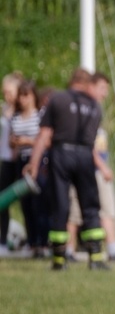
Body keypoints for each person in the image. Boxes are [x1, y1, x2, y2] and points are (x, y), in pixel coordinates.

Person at [23, 68, 109, 271]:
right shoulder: (95, 107)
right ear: (87, 84)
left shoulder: (58, 99)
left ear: (71, 81)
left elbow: (44, 135)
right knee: (90, 205)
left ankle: (59, 261)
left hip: (61, 154)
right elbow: (93, 142)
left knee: (60, 206)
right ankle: (96, 258)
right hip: (85, 156)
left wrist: (33, 163)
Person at [65, 72, 115, 262]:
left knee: (107, 209)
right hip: (86, 169)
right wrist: (102, 166)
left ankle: (112, 249)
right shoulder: (82, 110)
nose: (105, 94)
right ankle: (68, 251)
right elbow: (85, 145)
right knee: (75, 213)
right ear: (90, 86)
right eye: (102, 88)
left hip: (95, 169)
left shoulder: (94, 108)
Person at [9, 80, 49, 257]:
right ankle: (32, 242)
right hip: (21, 160)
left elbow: (45, 141)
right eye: (21, 95)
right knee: (25, 203)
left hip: (38, 161)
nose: (23, 99)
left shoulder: (41, 115)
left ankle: (43, 242)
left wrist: (28, 141)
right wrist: (14, 143)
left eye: (26, 95)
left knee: (39, 202)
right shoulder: (15, 117)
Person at [1, 72, 24, 254]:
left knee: (27, 203)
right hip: (5, 162)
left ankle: (35, 242)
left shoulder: (20, 114)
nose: (6, 96)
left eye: (9, 92)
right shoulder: (4, 110)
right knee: (3, 202)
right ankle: (2, 242)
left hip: (18, 162)